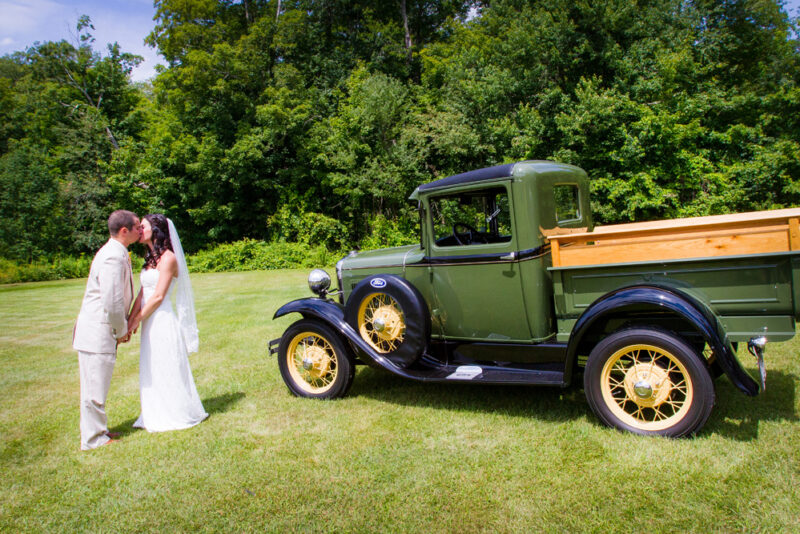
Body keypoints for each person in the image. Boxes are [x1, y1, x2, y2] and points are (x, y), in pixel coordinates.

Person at [126, 214, 208, 432]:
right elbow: (143, 293)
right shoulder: (150, 259)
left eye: (142, 226)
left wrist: (136, 320)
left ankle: (175, 411)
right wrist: (131, 319)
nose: (139, 230)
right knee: (152, 367)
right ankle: (154, 410)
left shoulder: (169, 258)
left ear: (157, 229)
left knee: (166, 364)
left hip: (161, 319)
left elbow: (159, 296)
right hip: (148, 320)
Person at [73, 209, 142, 450]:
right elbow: (112, 301)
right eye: (137, 227)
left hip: (99, 331)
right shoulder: (113, 256)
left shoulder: (115, 251)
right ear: (125, 231)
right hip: (97, 332)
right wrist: (121, 329)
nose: (141, 230)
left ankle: (98, 431)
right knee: (94, 387)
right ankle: (93, 439)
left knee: (97, 384)